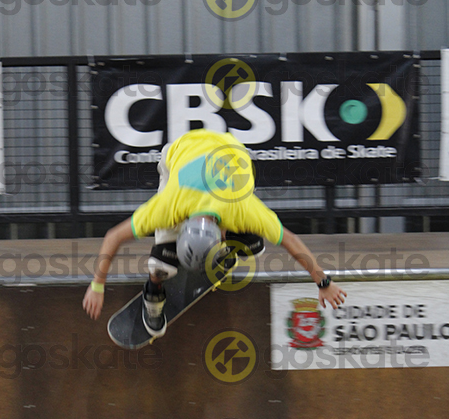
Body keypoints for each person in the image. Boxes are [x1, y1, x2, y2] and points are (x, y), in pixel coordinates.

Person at [83, 129, 346, 333]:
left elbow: (290, 240)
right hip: (180, 152)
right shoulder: (168, 206)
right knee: (161, 263)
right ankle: (154, 287)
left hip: (229, 151)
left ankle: (232, 244)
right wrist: (96, 285)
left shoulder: (242, 208)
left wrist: (324, 282)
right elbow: (114, 236)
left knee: (254, 239)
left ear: (221, 234)